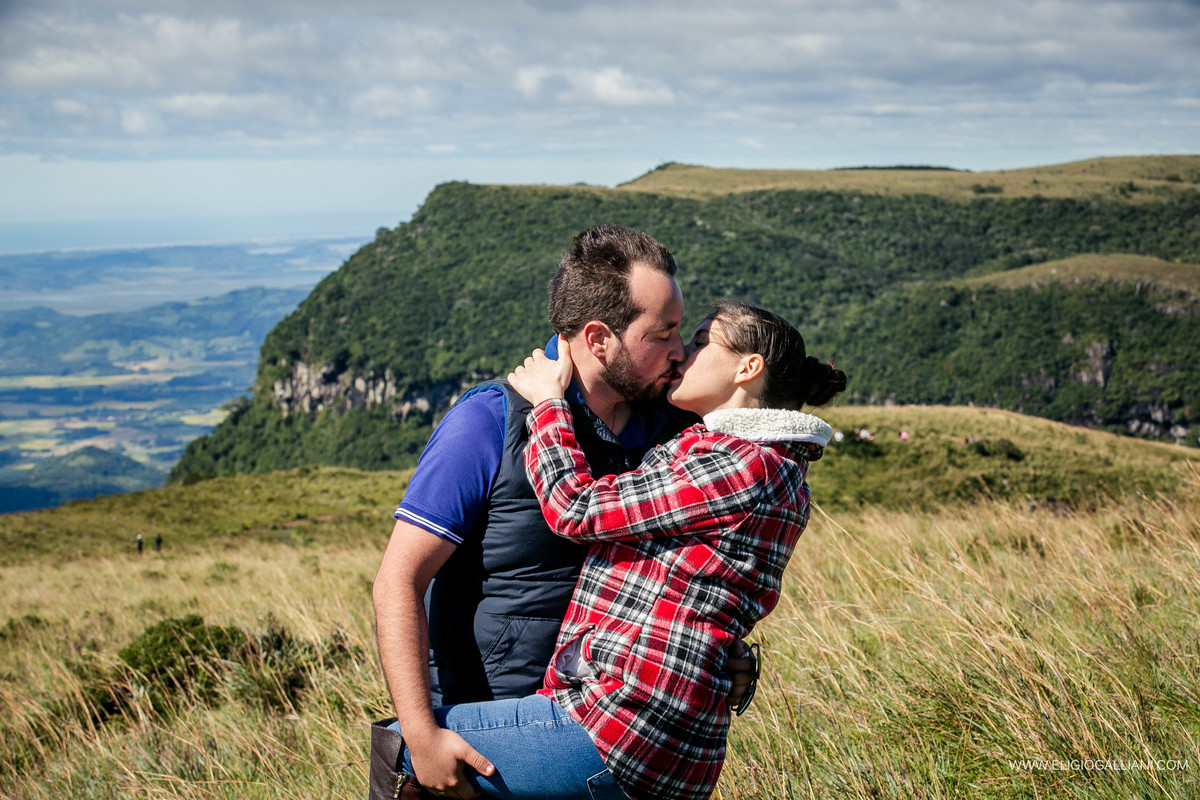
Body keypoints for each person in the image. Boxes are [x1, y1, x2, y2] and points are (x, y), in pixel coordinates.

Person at [385, 300, 847, 800]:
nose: (680, 355)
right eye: (668, 335)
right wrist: (720, 651)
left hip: (624, 723)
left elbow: (575, 509)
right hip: (669, 735)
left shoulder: (738, 464)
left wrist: (548, 405)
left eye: (695, 341)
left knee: (402, 744)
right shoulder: (765, 462)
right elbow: (709, 584)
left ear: (747, 367)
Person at [373, 226, 756, 795]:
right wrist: (422, 737)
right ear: (599, 338)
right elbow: (397, 582)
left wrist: (719, 654)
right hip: (490, 741)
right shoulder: (488, 423)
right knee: (395, 753)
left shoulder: (676, 433)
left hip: (606, 732)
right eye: (664, 332)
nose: (680, 352)